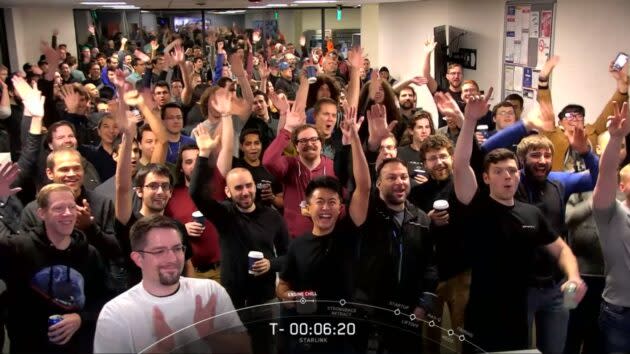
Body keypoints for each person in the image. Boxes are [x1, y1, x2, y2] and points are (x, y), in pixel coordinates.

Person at [452, 89, 585, 352]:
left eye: (512, 171)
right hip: (483, 312)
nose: (507, 177)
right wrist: (468, 121)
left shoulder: (530, 213)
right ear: (487, 178)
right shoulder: (476, 204)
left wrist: (573, 276)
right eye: (499, 172)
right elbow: (459, 165)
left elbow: (560, 248)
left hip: (518, 310)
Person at [94, 215, 250, 353]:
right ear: (138, 259)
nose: (172, 259)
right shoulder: (115, 314)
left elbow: (245, 349)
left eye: (177, 249)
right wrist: (161, 349)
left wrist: (210, 334)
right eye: (159, 251)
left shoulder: (210, 291)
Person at [0, 178, 106, 353]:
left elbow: (103, 299)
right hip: (28, 346)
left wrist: (81, 318)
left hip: (77, 347)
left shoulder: (89, 253)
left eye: (71, 207)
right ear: (41, 213)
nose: (68, 213)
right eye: (58, 208)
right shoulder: (17, 249)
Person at [592, 101, 630, 354]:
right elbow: (605, 175)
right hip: (620, 313)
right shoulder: (612, 213)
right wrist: (616, 139)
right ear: (623, 186)